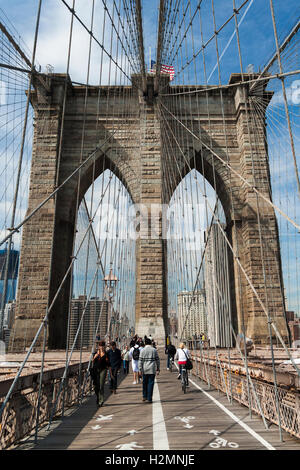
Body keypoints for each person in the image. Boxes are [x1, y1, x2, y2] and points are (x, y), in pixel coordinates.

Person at [138, 337, 160, 403]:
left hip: (144, 369)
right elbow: (157, 360)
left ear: (145, 343)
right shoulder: (154, 350)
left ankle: (144, 396)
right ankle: (149, 398)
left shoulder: (142, 350)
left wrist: (140, 369)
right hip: (152, 369)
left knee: (144, 383)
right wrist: (158, 368)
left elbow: (140, 361)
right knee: (150, 383)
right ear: (150, 343)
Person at [92, 340, 112, 407]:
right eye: (100, 346)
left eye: (103, 346)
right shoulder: (95, 353)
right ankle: (98, 398)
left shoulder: (106, 354)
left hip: (103, 370)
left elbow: (109, 365)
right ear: (99, 347)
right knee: (95, 386)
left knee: (101, 385)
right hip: (96, 371)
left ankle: (101, 401)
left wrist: (111, 374)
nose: (102, 347)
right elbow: (92, 362)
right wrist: (95, 356)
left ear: (104, 347)